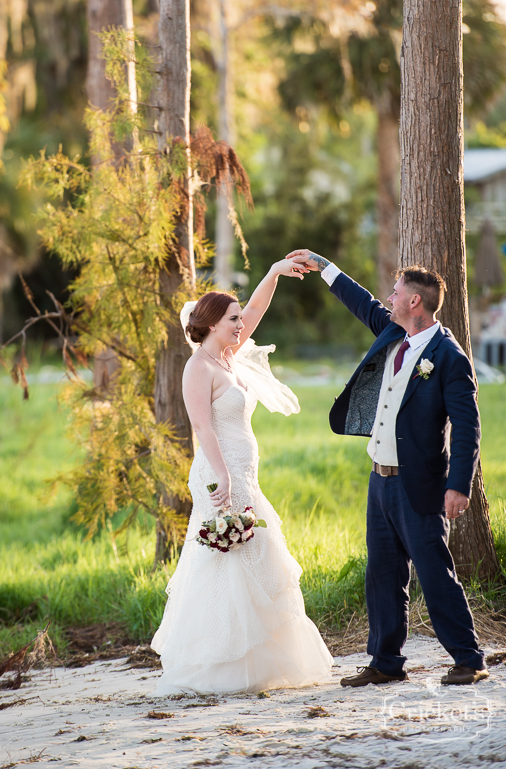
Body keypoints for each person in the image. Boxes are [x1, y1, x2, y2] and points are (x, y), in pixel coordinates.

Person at [286, 248, 488, 687]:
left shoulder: (449, 358)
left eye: (395, 292)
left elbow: (468, 426)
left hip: (420, 485)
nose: (388, 298)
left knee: (434, 573)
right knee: (381, 573)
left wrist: (459, 486)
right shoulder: (392, 332)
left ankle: (469, 659)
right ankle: (384, 663)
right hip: (379, 479)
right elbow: (362, 302)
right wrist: (325, 268)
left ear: (414, 302)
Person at [151, 260, 333, 693]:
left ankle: (263, 663)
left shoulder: (228, 356)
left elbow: (255, 310)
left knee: (256, 557)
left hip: (243, 474)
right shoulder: (200, 368)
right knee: (227, 562)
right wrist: (222, 477)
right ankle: (221, 668)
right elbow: (202, 427)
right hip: (220, 475)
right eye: (232, 320)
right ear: (213, 324)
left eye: (237, 319)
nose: (240, 325)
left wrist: (273, 273)